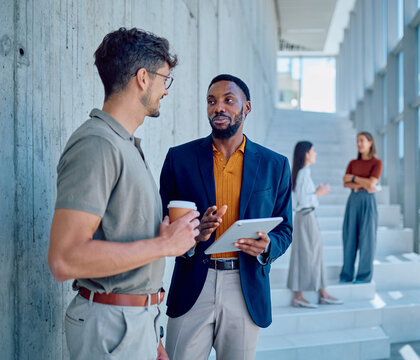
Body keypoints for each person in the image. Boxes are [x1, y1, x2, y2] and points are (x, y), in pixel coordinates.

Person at [48, 27, 201, 360]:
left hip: (136, 324)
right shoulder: (97, 144)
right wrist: (165, 245)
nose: (166, 90)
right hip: (110, 328)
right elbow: (64, 259)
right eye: (165, 79)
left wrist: (151, 338)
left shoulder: (124, 145)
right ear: (143, 78)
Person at [159, 74, 293, 360]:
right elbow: (163, 223)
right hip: (193, 282)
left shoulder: (276, 165)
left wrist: (268, 247)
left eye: (228, 100)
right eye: (211, 101)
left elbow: (286, 229)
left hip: (245, 287)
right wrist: (195, 236)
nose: (218, 107)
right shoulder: (178, 160)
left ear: (246, 108)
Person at [287, 141, 342, 308]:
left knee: (313, 254)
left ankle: (322, 293)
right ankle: (302, 295)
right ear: (306, 154)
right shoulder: (303, 173)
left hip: (306, 217)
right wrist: (318, 193)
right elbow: (303, 200)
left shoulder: (303, 173)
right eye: (313, 151)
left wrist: (315, 194)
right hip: (306, 217)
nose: (315, 154)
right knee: (307, 254)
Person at [340, 132, 382, 283]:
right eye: (357, 141)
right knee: (349, 237)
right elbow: (345, 183)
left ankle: (364, 276)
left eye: (362, 140)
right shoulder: (352, 163)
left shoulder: (377, 163)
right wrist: (363, 183)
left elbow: (372, 184)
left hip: (368, 201)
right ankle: (346, 274)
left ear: (370, 142)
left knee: (367, 239)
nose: (359, 144)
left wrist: (354, 178)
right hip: (353, 201)